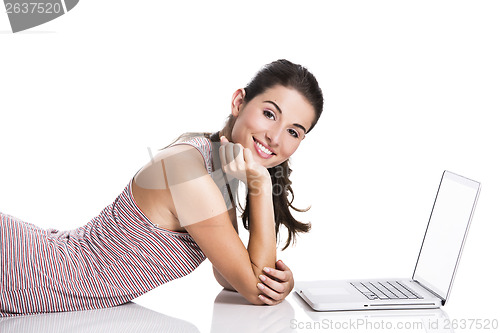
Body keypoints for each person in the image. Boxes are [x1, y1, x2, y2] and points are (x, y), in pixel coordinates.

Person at [0, 59, 323, 316]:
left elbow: (230, 277)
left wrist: (277, 282)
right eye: (269, 114)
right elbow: (255, 289)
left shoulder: (214, 164)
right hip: (20, 265)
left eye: (294, 132)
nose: (275, 137)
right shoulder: (192, 174)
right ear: (239, 101)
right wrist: (261, 186)